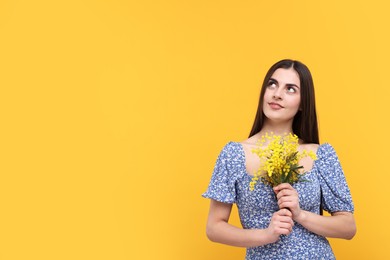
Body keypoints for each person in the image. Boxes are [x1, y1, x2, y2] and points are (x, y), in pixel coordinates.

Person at [202, 59, 356, 259]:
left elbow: (348, 227)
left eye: (290, 89)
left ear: (303, 104)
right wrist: (266, 235)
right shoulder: (234, 154)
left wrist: (300, 214)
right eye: (272, 84)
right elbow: (214, 228)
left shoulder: (320, 154)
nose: (277, 93)